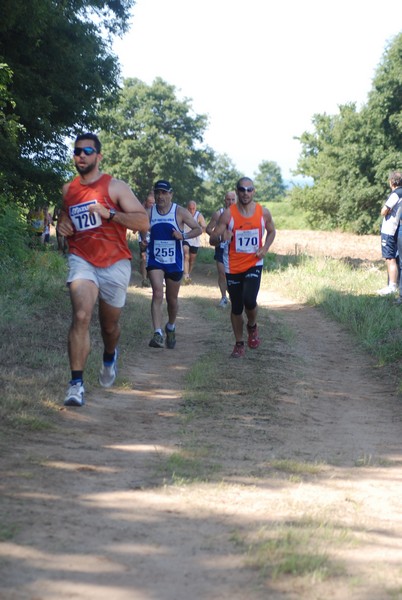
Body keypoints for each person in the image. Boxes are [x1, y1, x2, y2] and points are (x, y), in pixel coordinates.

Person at [56, 132, 149, 407]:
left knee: (109, 327)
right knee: (82, 315)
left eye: (86, 151)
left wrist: (109, 214)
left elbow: (143, 222)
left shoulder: (115, 187)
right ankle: (76, 385)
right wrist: (62, 226)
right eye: (77, 151)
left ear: (98, 156)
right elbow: (65, 215)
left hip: (115, 262)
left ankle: (110, 356)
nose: (81, 156)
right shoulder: (68, 189)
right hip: (82, 259)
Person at [209, 177, 276, 358]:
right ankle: (239, 343)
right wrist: (223, 236)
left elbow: (272, 231)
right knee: (237, 307)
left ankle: (252, 326)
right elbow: (212, 239)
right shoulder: (228, 214)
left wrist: (265, 248)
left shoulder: (263, 213)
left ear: (254, 191)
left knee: (250, 299)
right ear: (237, 191)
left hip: (254, 262)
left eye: (249, 189)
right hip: (233, 266)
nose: (245, 193)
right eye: (242, 189)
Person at [140, 180, 202, 349]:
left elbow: (198, 229)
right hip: (156, 260)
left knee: (172, 300)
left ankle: (171, 326)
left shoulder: (179, 212)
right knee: (158, 293)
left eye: (164, 193)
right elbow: (141, 228)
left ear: (170, 194)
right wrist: (144, 240)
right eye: (158, 192)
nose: (160, 196)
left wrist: (182, 235)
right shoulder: (149, 212)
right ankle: (158, 333)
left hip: (174, 262)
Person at [206, 190, 237, 306]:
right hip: (221, 246)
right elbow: (208, 228)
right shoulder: (219, 214)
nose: (231, 202)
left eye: (233, 199)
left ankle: (234, 294)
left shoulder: (241, 214)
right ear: (225, 200)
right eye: (228, 199)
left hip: (235, 249)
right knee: (222, 273)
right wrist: (218, 238)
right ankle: (224, 297)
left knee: (233, 275)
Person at [377, 170, 402, 296]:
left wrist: (384, 210)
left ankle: (392, 286)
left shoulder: (396, 194)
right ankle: (395, 285)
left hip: (389, 229)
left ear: (391, 181)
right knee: (395, 258)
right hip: (396, 228)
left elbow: (384, 211)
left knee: (390, 258)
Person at [182, 200, 206, 284]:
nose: (191, 210)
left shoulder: (198, 215)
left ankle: (188, 273)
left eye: (193, 209)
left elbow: (204, 226)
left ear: (195, 208)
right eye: (190, 208)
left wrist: (201, 228)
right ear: (187, 208)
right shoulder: (184, 213)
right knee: (186, 255)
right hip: (186, 237)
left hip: (195, 240)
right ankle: (186, 275)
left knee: (192, 260)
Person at [138, 191, 155, 287]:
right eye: (150, 202)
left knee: (152, 257)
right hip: (143, 235)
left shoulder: (156, 210)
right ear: (146, 202)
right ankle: (144, 279)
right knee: (143, 257)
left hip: (153, 236)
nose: (152, 204)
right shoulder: (142, 210)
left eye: (153, 203)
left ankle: (150, 277)